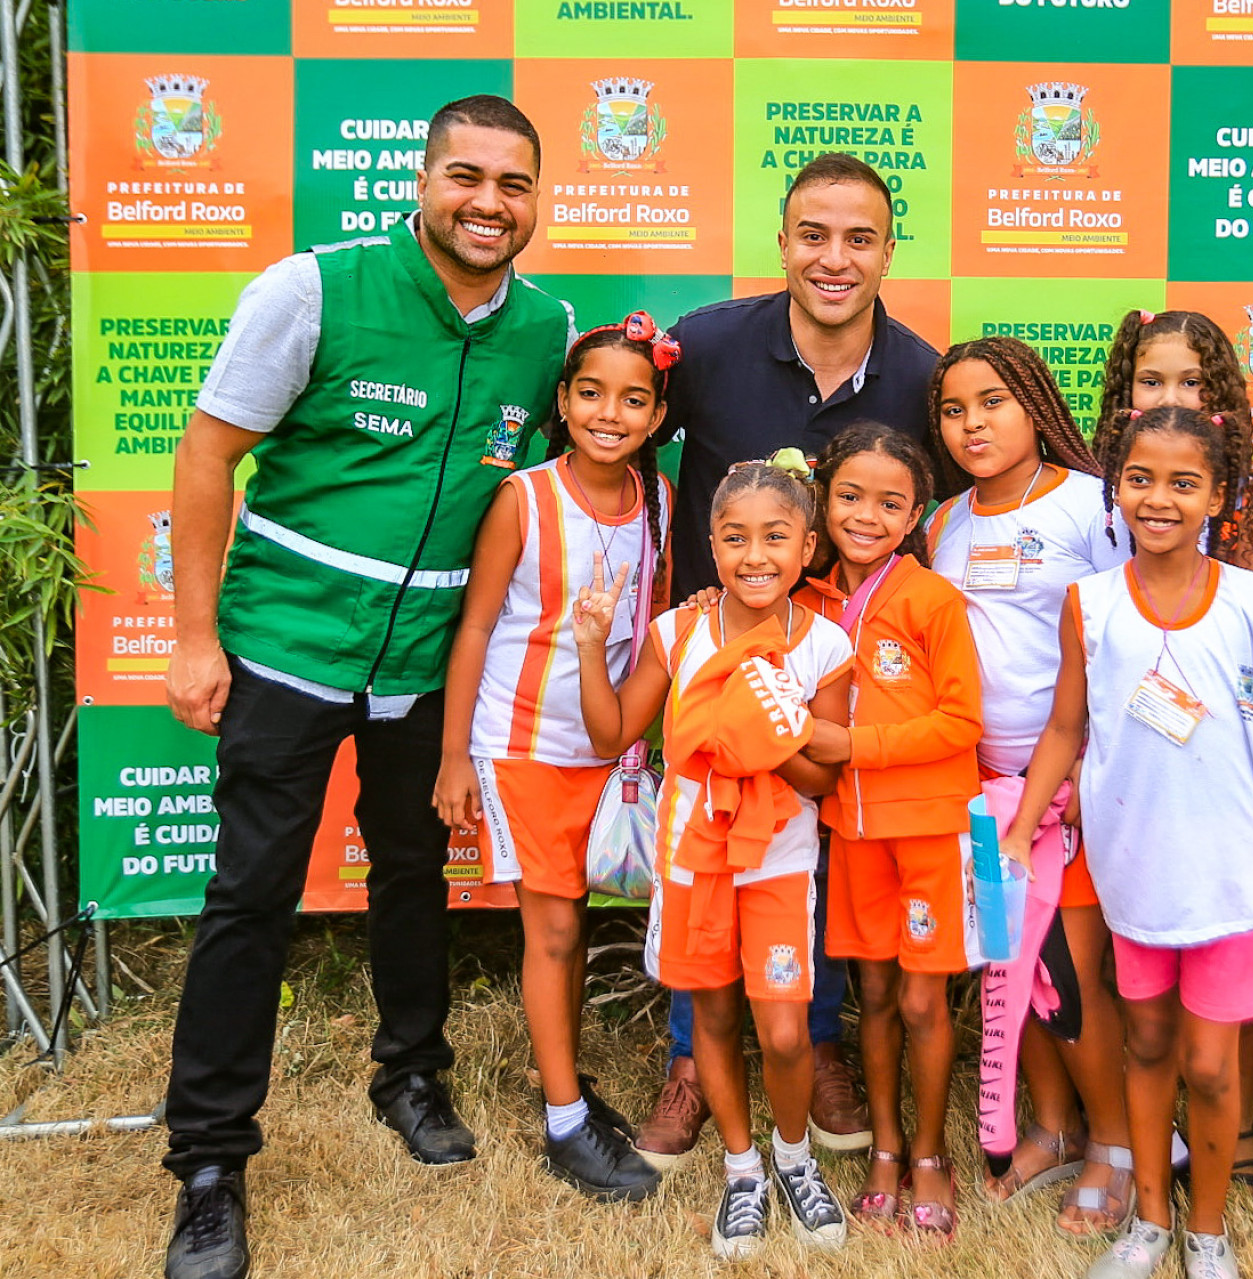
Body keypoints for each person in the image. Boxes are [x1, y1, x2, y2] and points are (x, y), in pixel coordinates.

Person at [159, 95, 571, 1279]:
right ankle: (208, 1161)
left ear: (538, 201)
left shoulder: (546, 327)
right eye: (467, 177)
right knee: (251, 897)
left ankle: (413, 1075)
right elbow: (205, 454)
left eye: (515, 184)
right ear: (423, 182)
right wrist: (194, 637)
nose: (490, 202)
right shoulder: (314, 289)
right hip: (285, 645)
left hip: (426, 662)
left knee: (410, 870)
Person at [637, 152, 939, 1163]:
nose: (835, 257)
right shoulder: (711, 346)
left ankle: (818, 1040)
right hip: (714, 664)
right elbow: (617, 436)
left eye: (860, 237)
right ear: (782, 240)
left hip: (838, 661)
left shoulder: (921, 374)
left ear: (891, 249)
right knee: (709, 850)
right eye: (814, 234)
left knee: (821, 851)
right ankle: (691, 1054)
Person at [1004, 405, 1253, 1279]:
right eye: (1140, 478)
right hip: (1132, 869)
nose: (1158, 498)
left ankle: (1208, 1233)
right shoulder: (1089, 603)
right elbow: (1066, 726)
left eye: (1182, 482)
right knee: (1146, 1045)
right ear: (1115, 487)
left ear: (1218, 494)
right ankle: (1153, 1224)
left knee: (1211, 1065)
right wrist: (1021, 828)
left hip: (1230, 875)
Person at [574, 459, 856, 1258]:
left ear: (807, 545)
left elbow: (821, 777)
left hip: (777, 862)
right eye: (735, 538)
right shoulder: (678, 631)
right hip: (695, 859)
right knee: (713, 1029)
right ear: (711, 544)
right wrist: (593, 646)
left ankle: (795, 1160)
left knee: (786, 1032)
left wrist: (768, 721)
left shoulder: (825, 644)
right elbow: (610, 733)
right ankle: (743, 1169)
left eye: (775, 537)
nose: (755, 555)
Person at [432, 313, 677, 1202]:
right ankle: (566, 1122)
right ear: (564, 403)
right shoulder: (523, 499)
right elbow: (476, 627)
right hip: (525, 741)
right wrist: (455, 753)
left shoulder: (661, 502)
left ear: (656, 416)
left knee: (573, 926)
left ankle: (566, 1083)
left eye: (634, 398)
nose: (610, 412)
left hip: (608, 752)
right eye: (591, 393)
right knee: (555, 927)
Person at [922, 336, 1136, 1238]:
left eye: (993, 401)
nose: (972, 423)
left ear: (1037, 405)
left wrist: (1091, 768)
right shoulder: (943, 522)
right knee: (1014, 962)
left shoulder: (1092, 505)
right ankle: (1048, 1125)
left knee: (1069, 969)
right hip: (981, 789)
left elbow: (1131, 641)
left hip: (1072, 784)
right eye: (953, 409)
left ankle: (1116, 1146)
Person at [795, 423, 985, 1242]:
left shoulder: (930, 599)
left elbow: (962, 719)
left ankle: (934, 1155)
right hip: (853, 833)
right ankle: (886, 1146)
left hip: (931, 833)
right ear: (822, 499)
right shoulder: (808, 599)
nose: (866, 515)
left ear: (915, 516)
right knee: (870, 994)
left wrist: (855, 746)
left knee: (919, 997)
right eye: (849, 496)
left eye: (890, 502)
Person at [1097, 309, 1253, 578]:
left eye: (1191, 382)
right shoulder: (1094, 489)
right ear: (1127, 388)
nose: (1170, 398)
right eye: (1151, 382)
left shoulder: (1248, 499)